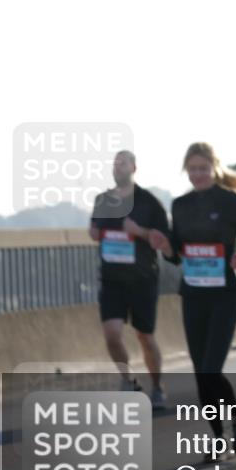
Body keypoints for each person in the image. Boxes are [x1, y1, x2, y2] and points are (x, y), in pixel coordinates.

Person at [149, 142, 236, 461]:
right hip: (193, 295)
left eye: (203, 168)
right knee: (201, 372)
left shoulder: (231, 201)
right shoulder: (180, 205)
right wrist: (164, 247)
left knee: (212, 369)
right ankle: (219, 437)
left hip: (225, 295)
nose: (198, 174)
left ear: (214, 169)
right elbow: (176, 253)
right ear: (187, 170)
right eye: (193, 169)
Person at [89, 150, 170, 408]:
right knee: (112, 334)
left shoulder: (149, 202)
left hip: (143, 278)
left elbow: (163, 239)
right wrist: (94, 231)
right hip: (112, 279)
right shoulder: (103, 199)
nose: (118, 167)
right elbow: (95, 230)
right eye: (115, 164)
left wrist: (140, 231)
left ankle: (157, 387)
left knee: (145, 336)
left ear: (134, 167)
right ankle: (128, 380)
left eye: (123, 163)